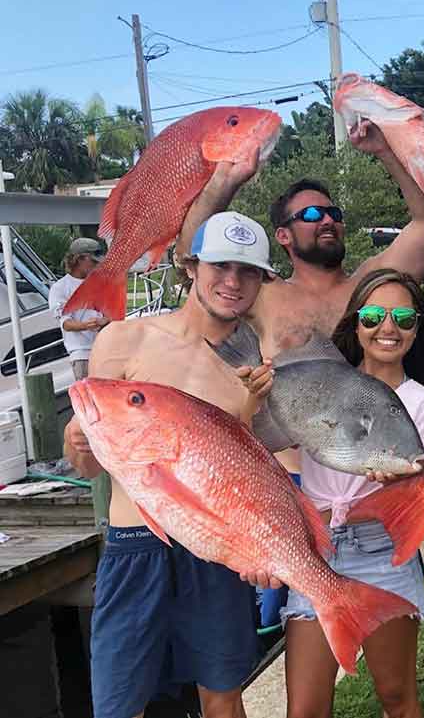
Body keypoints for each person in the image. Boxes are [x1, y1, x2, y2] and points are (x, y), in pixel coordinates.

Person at [62, 211, 276, 718]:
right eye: (220, 265)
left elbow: (242, 478)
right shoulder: (123, 340)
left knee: (222, 695)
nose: (232, 281)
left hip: (213, 551)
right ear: (189, 265)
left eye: (248, 271)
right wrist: (76, 439)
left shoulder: (251, 370)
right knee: (118, 705)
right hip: (135, 548)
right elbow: (90, 469)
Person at [247, 268, 424, 718]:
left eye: (403, 318)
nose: (388, 328)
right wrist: (255, 397)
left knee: (397, 697)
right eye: (374, 315)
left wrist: (399, 489)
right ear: (356, 322)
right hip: (317, 551)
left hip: (382, 552)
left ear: (418, 329)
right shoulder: (321, 379)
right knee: (305, 708)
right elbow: (262, 440)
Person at [48, 236, 109, 379]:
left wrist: (105, 321)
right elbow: (65, 323)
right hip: (81, 354)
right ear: (80, 259)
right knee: (87, 399)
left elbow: (111, 314)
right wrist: (86, 325)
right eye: (94, 261)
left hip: (106, 350)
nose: (97, 265)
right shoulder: (60, 288)